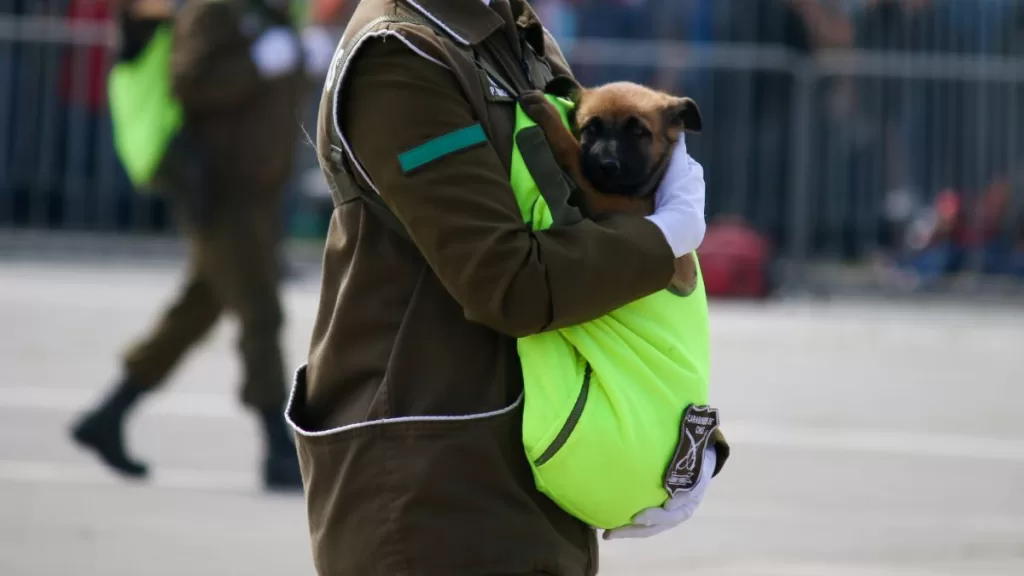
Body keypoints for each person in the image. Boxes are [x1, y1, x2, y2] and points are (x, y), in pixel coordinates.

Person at [285, 0, 725, 574]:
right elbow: (507, 281)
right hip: (437, 490)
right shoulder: (403, 55)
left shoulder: (511, 29)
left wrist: (675, 429)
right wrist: (663, 237)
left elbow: (577, 222)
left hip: (534, 471)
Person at [69, 0, 327, 491]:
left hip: (256, 195)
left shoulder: (272, 15)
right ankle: (276, 448)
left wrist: (302, 60)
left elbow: (270, 99)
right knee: (261, 314)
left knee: (196, 311)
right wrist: (258, 63)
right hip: (221, 193)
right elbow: (190, 82)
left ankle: (108, 416)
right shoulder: (216, 9)